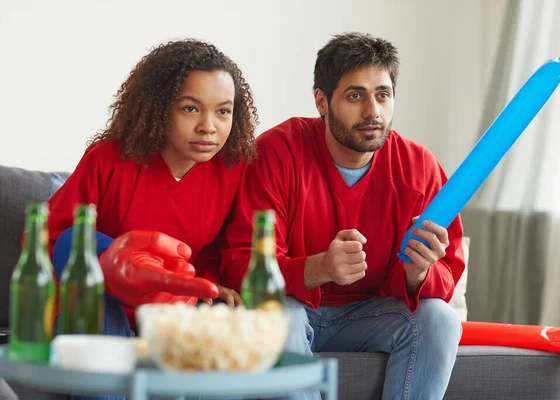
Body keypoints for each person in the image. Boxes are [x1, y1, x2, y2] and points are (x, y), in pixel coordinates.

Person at [221, 32, 465, 400]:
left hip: (372, 316)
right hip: (292, 307)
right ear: (321, 101)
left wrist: (420, 273)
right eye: (356, 96)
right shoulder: (277, 153)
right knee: (277, 316)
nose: (373, 112)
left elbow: (448, 270)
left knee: (440, 320)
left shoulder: (420, 168)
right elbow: (240, 263)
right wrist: (319, 268)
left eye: (382, 95)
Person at [47, 39, 258, 400]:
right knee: (104, 338)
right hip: (102, 302)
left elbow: (214, 251)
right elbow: (55, 238)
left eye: (223, 111)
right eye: (191, 109)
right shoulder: (109, 159)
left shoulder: (232, 169)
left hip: (172, 310)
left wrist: (211, 283)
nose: (209, 127)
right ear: (159, 108)